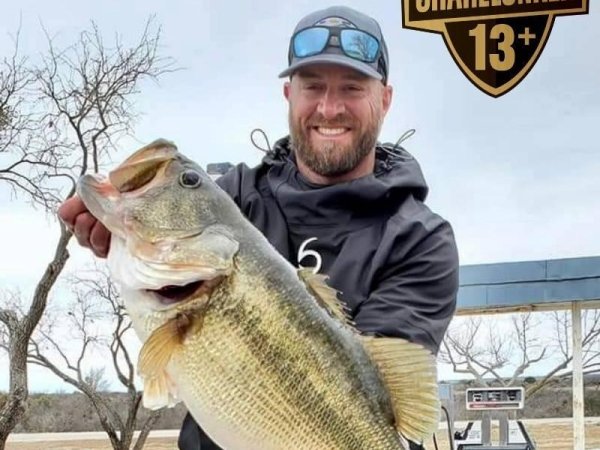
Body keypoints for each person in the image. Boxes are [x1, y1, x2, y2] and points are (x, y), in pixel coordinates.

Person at [58, 5, 459, 450]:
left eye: (352, 87)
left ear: (384, 99)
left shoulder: (420, 238)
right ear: (289, 95)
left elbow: (386, 388)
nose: (330, 106)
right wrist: (116, 228)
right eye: (313, 86)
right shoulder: (234, 197)